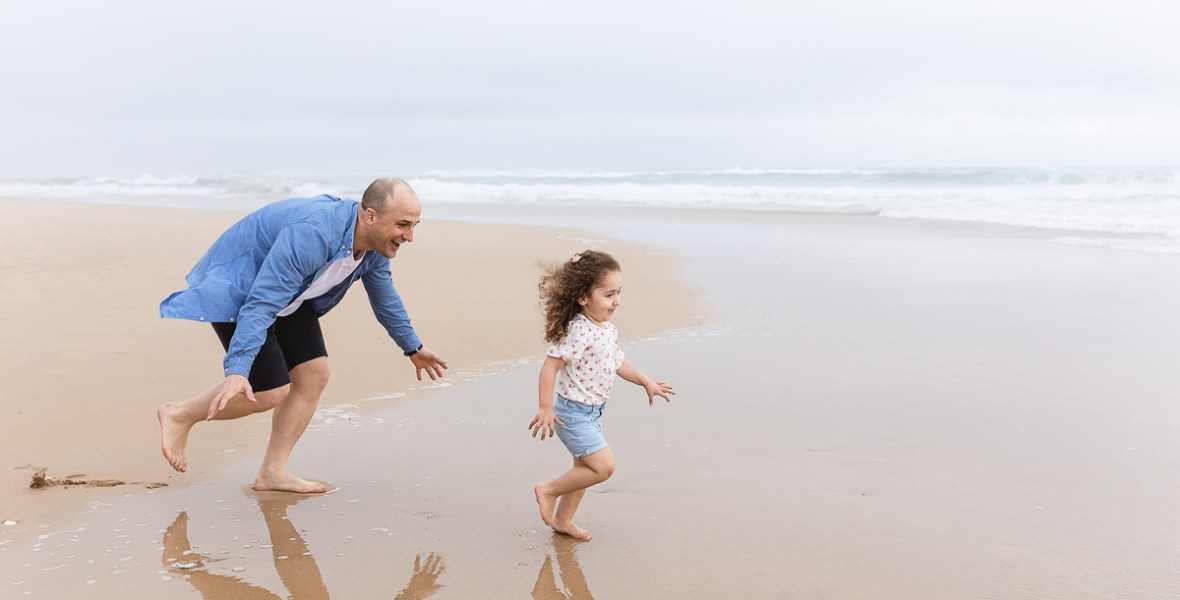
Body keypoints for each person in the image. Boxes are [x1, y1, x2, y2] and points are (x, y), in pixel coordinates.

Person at [157, 177, 447, 493]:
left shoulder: (374, 247)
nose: (410, 236)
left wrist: (412, 347)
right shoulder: (315, 233)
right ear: (371, 217)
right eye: (403, 225)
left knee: (313, 374)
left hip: (291, 295)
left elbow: (384, 295)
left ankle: (272, 472)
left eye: (414, 225)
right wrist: (238, 371)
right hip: (241, 289)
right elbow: (262, 301)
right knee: (269, 391)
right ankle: (179, 415)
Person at [528, 250, 675, 540]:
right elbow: (549, 368)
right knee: (603, 467)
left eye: (618, 293)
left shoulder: (606, 329)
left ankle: (563, 520)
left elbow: (618, 361)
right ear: (583, 297)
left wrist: (646, 381)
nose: (616, 301)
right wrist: (546, 407)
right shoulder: (578, 332)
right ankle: (548, 490)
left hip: (593, 413)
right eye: (608, 295)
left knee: (584, 469)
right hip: (572, 413)